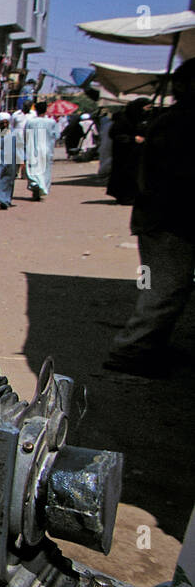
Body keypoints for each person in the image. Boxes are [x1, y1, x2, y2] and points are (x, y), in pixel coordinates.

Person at [106, 59, 195, 377]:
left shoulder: (171, 121)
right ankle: (132, 349)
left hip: (165, 217)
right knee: (166, 287)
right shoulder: (177, 123)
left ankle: (148, 346)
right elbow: (171, 176)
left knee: (170, 285)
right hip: (166, 219)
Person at [107, 98, 149, 205]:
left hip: (136, 153)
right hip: (123, 153)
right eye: (146, 108)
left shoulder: (141, 118)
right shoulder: (123, 119)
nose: (147, 110)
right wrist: (132, 138)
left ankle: (133, 196)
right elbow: (114, 134)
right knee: (124, 174)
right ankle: (125, 197)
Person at [23, 100, 56, 200]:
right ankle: (42, 188)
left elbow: (25, 135)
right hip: (46, 149)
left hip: (33, 149)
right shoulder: (51, 122)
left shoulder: (30, 122)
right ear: (46, 110)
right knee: (45, 171)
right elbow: (56, 135)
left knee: (33, 170)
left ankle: (35, 184)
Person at [0, 112, 22, 210]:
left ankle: (6, 200)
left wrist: (21, 160)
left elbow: (19, 147)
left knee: (8, 180)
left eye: (6, 123)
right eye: (2, 123)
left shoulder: (14, 133)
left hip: (11, 160)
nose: (4, 125)